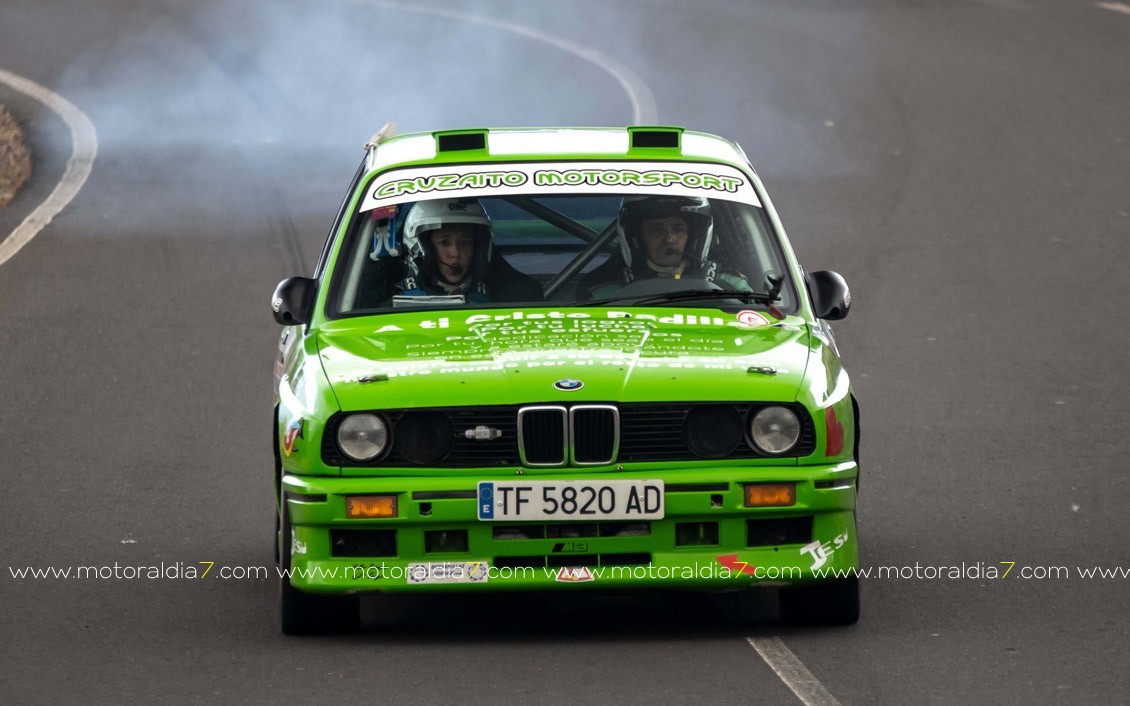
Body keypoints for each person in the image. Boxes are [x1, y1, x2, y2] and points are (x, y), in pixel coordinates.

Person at [577, 195, 750, 301]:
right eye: (656, 230)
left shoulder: (732, 287)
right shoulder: (605, 295)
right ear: (638, 238)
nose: (669, 239)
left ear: (694, 236)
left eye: (678, 229)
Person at [396, 198, 543, 303]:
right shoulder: (389, 307)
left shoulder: (509, 301)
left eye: (465, 243)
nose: (455, 253)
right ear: (419, 248)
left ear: (479, 249)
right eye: (445, 242)